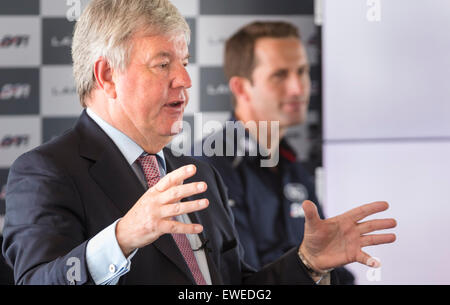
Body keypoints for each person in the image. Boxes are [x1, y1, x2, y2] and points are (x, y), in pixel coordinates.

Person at [2, 0, 396, 285]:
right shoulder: (45, 172)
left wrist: (307, 262)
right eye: (163, 64)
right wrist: (121, 238)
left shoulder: (198, 172)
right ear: (106, 75)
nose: (185, 81)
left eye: (184, 62)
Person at [194, 22, 352, 283]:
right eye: (280, 75)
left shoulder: (293, 166)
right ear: (241, 88)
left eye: (301, 71)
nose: (298, 89)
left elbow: (337, 270)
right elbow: (238, 283)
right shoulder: (209, 165)